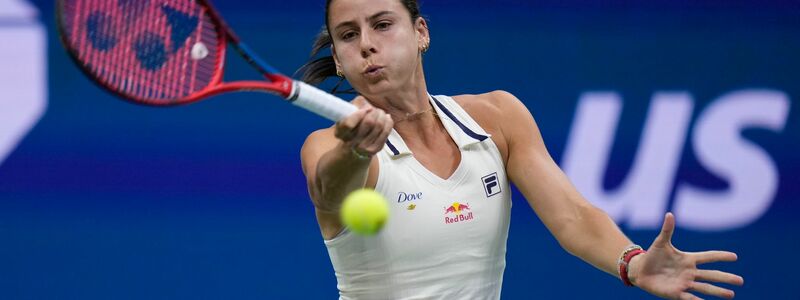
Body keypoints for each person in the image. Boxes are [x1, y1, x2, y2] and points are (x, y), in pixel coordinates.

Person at [297, 0, 744, 299]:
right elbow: (329, 192)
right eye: (348, 35)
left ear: (420, 33)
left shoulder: (498, 117)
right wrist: (354, 150)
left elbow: (572, 215)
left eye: (381, 24)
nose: (368, 44)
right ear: (339, 58)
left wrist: (633, 262)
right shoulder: (329, 144)